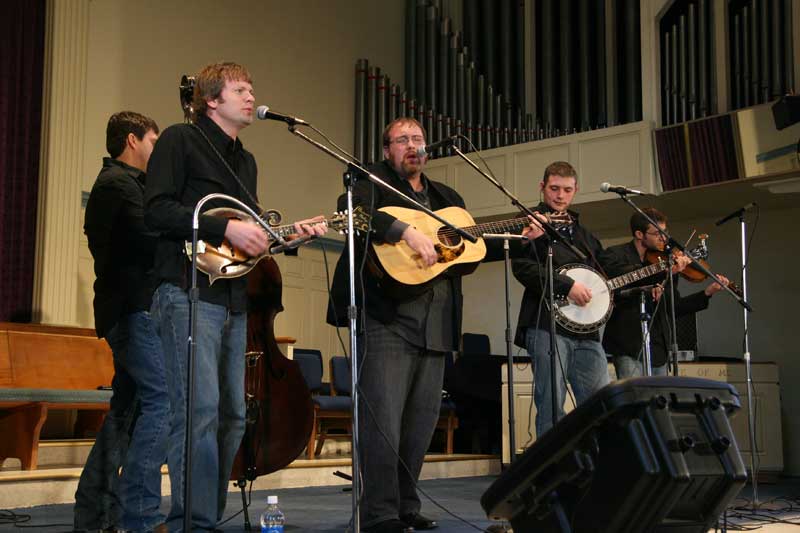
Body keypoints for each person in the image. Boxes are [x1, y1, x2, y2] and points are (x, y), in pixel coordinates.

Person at [327, 117, 539, 533]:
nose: (412, 145)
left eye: (418, 139)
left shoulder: (447, 197)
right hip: (386, 318)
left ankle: (406, 504)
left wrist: (520, 237)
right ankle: (379, 513)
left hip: (438, 322)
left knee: (420, 424)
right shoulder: (370, 182)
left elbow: (468, 250)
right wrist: (405, 232)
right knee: (383, 421)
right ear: (387, 149)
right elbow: (351, 209)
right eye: (402, 139)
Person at [144, 62, 325, 532]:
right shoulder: (178, 141)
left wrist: (287, 238)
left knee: (233, 413)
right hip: (187, 292)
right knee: (198, 411)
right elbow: (157, 210)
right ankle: (193, 521)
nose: (251, 96)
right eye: (240, 89)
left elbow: (251, 237)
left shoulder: (245, 160)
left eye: (251, 88)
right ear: (211, 99)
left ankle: (208, 516)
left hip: (234, 300)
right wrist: (226, 226)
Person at [76, 111, 168, 533]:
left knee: (126, 411)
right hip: (131, 310)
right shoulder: (117, 184)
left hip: (135, 308)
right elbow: (148, 237)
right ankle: (140, 516)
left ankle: (94, 514)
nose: (157, 149)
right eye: (153, 141)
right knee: (162, 399)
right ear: (132, 141)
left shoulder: (135, 185)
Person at [512, 161, 626, 438]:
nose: (560, 196)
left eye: (567, 190)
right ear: (542, 187)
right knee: (551, 406)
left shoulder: (582, 233)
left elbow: (605, 269)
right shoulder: (528, 223)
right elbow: (522, 268)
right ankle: (550, 473)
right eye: (554, 189)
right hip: (546, 326)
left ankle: (594, 468)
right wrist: (567, 285)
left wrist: (652, 274)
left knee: (600, 403)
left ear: (576, 191)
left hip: (587, 332)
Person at [602, 207, 729, 377]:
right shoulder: (615, 254)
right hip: (627, 343)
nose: (663, 237)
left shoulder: (665, 261)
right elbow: (616, 282)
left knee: (659, 399)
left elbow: (674, 307)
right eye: (657, 232)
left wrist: (707, 293)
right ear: (640, 234)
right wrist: (661, 271)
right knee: (634, 397)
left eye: (665, 231)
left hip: (658, 346)